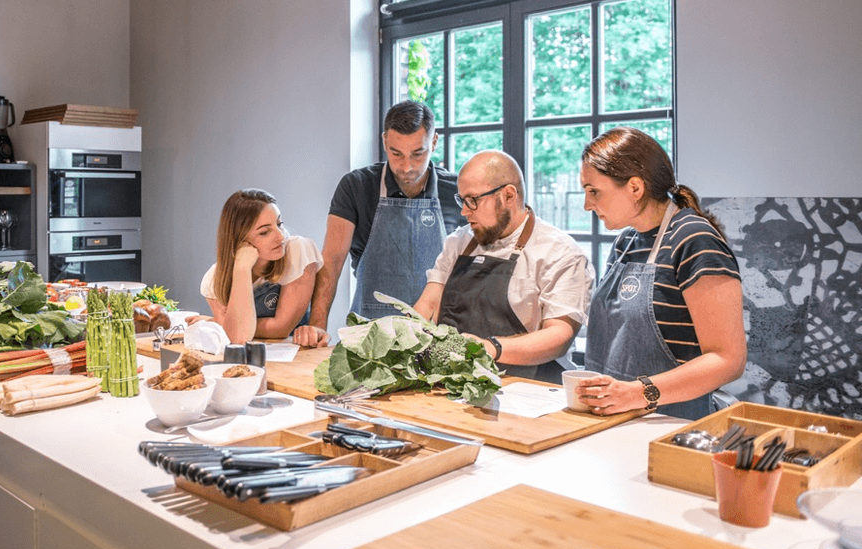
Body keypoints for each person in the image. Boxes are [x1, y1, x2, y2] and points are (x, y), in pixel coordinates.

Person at [574, 127, 745, 420]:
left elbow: (728, 359)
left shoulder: (694, 240)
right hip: (614, 420)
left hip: (673, 424)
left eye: (594, 192)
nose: (587, 204)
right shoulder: (626, 243)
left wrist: (636, 393)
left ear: (635, 188)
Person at [411, 150, 594, 383]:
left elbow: (559, 336)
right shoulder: (458, 243)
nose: (464, 211)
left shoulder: (560, 252)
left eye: (473, 200)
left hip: (530, 391)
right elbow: (430, 303)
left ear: (509, 195)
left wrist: (489, 348)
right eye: (462, 200)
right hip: (455, 385)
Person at [293, 101, 465, 347]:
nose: (407, 167)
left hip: (437, 338)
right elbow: (331, 260)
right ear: (385, 142)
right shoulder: (356, 187)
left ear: (434, 142)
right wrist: (318, 326)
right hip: (368, 335)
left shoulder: (457, 192)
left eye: (418, 154)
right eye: (397, 154)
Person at [200, 189, 322, 344]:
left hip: (299, 357)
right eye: (265, 232)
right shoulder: (213, 280)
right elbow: (237, 339)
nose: (280, 236)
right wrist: (241, 269)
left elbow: (281, 328)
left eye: (279, 224)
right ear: (239, 240)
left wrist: (222, 324)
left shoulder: (298, 252)